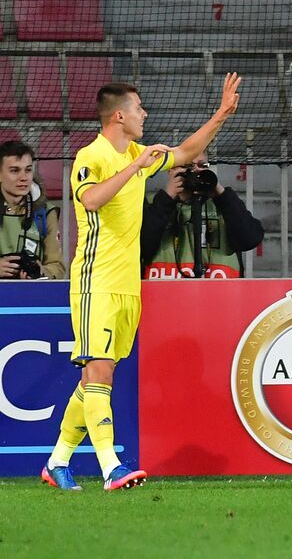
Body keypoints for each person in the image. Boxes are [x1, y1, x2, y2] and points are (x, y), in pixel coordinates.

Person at [41, 74, 241, 493]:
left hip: (127, 284)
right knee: (99, 371)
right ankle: (111, 466)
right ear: (119, 115)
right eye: (138, 107)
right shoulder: (91, 155)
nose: (144, 113)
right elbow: (91, 199)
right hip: (95, 281)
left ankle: (57, 461)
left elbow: (188, 151)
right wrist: (136, 167)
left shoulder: (136, 150)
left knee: (95, 376)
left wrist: (222, 113)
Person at [140, 154, 265, 279]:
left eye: (201, 166)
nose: (195, 171)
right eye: (188, 166)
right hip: (164, 293)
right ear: (171, 170)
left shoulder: (223, 205)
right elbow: (140, 247)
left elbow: (250, 239)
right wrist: (166, 199)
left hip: (219, 294)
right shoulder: (155, 204)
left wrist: (220, 193)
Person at [0, 140, 65, 279]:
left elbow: (57, 267)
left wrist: (40, 272)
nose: (23, 178)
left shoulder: (45, 212)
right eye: (14, 171)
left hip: (30, 296)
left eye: (28, 170)